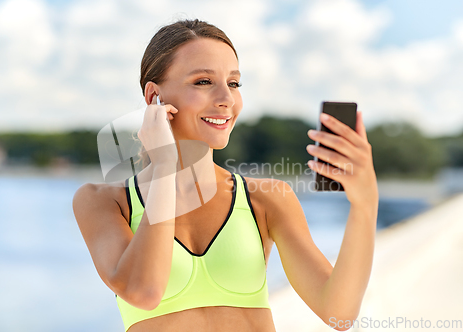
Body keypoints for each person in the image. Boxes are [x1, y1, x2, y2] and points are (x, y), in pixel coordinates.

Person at [72, 19, 379, 332]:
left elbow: (338, 313)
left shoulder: (267, 199)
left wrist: (365, 204)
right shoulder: (103, 202)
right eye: (204, 81)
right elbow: (144, 291)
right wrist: (164, 166)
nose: (227, 99)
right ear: (154, 96)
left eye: (234, 83)